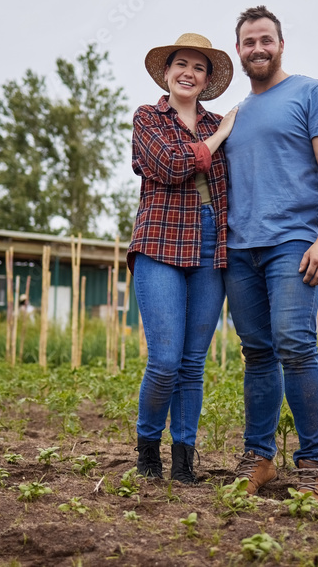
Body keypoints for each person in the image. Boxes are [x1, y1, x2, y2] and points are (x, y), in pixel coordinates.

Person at [223, 6, 318, 503]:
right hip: (239, 250)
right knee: (257, 353)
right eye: (248, 42)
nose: (257, 48)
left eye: (265, 40)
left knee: (296, 347)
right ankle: (260, 460)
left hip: (293, 243)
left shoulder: (313, 94)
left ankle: (314, 466)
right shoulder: (237, 114)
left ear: (280, 44)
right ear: (238, 50)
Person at [128, 33, 237, 484]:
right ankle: (147, 450)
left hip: (213, 241)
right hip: (159, 241)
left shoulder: (218, 122)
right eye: (181, 65)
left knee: (194, 362)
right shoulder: (148, 118)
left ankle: (184, 459)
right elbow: (172, 166)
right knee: (166, 360)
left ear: (208, 79)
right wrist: (221, 137)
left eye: (198, 67)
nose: (188, 73)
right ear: (167, 72)